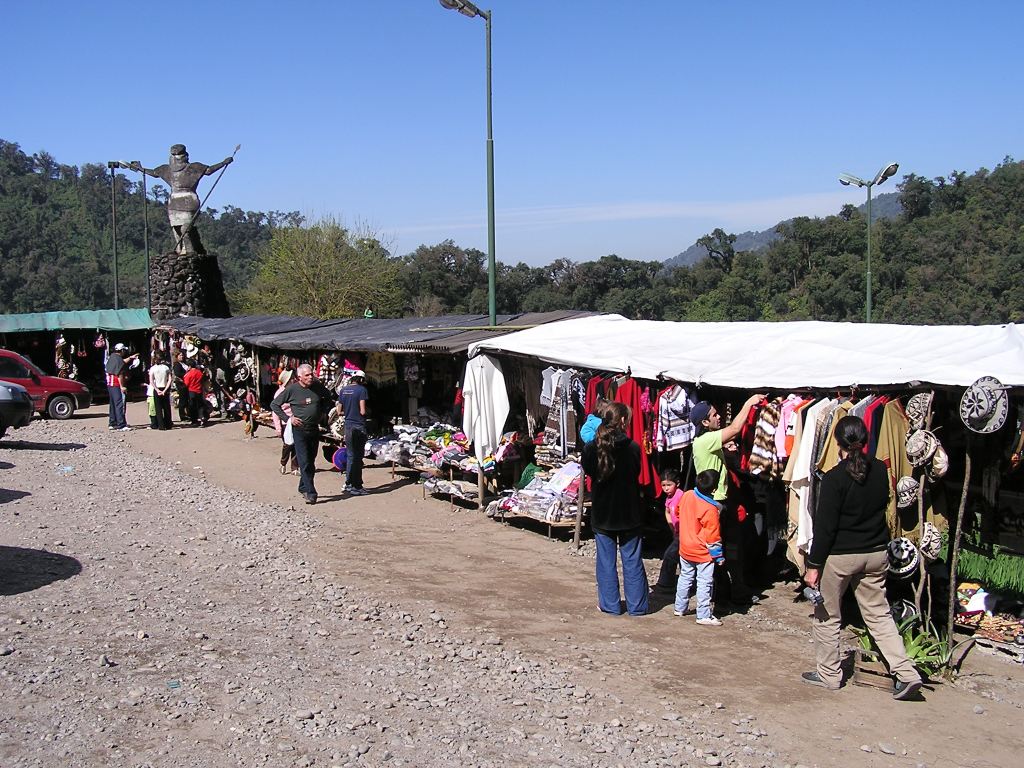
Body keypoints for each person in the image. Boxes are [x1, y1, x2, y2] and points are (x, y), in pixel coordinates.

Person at [802, 415, 923, 699]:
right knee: (879, 615)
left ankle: (829, 674)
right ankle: (906, 673)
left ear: (838, 443)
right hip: (876, 553)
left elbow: (825, 527)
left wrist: (813, 565)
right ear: (866, 440)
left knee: (828, 615)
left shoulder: (833, 478)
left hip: (840, 556)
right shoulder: (880, 470)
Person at [690, 394, 764, 606]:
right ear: (705, 422)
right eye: (714, 415)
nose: (719, 417)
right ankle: (723, 597)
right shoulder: (706, 441)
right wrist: (749, 403)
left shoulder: (706, 441)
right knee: (721, 549)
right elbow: (735, 429)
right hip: (715, 505)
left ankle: (732, 592)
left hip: (720, 502)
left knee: (730, 547)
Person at [580, 400, 648, 616]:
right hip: (629, 512)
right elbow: (636, 472)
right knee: (632, 560)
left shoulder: (591, 449)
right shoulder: (633, 448)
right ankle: (637, 606)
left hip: (603, 513)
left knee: (606, 562)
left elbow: (589, 471)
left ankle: (610, 605)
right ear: (622, 421)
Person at [131, 145, 233, 255]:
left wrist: (223, 163)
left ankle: (189, 250)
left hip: (189, 200)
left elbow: (208, 171)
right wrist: (140, 168)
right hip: (174, 202)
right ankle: (180, 250)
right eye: (174, 155)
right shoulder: (167, 169)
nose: (176, 158)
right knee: (176, 228)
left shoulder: (194, 167)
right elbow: (154, 173)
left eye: (178, 155)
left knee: (185, 227)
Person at [271, 363, 333, 505]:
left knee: (311, 460)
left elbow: (328, 397)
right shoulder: (292, 390)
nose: (310, 377)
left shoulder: (317, 387)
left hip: (314, 429)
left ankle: (303, 486)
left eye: (311, 374)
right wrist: (289, 419)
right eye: (307, 375)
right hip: (299, 430)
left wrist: (323, 412)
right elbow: (274, 405)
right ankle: (311, 493)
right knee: (304, 461)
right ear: (299, 377)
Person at [674, 469, 726, 626]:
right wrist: (718, 556)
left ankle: (680, 607)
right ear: (714, 489)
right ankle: (703, 615)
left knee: (685, 577)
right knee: (704, 582)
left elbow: (677, 511)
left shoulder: (687, 495)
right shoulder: (710, 509)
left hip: (685, 547)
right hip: (702, 552)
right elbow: (713, 536)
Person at [336, 369, 370, 495]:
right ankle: (357, 486)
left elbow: (339, 411)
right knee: (358, 457)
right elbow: (362, 411)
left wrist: (349, 412)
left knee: (350, 455)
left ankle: (348, 483)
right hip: (358, 426)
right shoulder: (362, 390)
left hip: (348, 426)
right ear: (361, 379)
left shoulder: (343, 390)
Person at [653, 468, 684, 594]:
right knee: (680, 557)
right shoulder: (669, 498)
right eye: (663, 485)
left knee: (670, 556)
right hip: (676, 533)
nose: (666, 488)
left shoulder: (680, 496)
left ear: (677, 483)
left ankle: (666, 583)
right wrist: (671, 527)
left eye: (669, 485)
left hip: (683, 534)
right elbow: (667, 511)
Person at [104, 342, 136, 431]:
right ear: (121, 351)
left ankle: (112, 423)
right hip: (116, 384)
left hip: (110, 384)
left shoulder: (113, 357)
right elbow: (120, 374)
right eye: (124, 350)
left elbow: (122, 362)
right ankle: (121, 424)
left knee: (113, 404)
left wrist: (130, 358)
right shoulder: (118, 360)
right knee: (119, 404)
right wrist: (122, 386)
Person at [272, 369, 298, 474]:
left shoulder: (295, 390)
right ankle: (283, 463)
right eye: (292, 378)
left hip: (296, 421)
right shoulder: (279, 393)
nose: (294, 380)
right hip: (285, 423)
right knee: (288, 445)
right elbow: (275, 411)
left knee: (296, 445)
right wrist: (278, 428)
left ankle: (294, 467)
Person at [148, 354, 173, 430]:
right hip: (164, 387)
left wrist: (156, 389)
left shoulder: (153, 368)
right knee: (166, 407)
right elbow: (170, 379)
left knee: (158, 408)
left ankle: (161, 425)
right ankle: (168, 424)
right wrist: (165, 389)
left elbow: (151, 381)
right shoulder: (166, 367)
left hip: (157, 388)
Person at [172, 352, 191, 422]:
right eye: (180, 355)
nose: (182, 356)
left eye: (182, 355)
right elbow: (178, 374)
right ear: (177, 356)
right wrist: (187, 372)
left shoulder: (185, 364)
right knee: (182, 400)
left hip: (187, 384)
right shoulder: (177, 365)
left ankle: (188, 414)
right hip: (181, 384)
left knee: (187, 400)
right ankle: (182, 416)